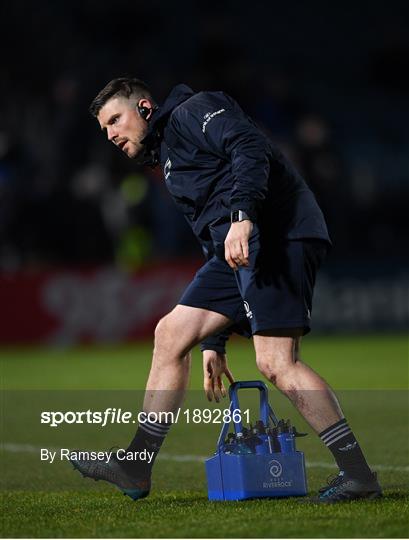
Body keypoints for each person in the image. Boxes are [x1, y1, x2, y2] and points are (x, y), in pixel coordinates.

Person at [71, 78, 382, 503]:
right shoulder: (168, 161)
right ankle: (135, 466)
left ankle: (357, 474)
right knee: (171, 335)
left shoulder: (195, 110)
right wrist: (212, 341)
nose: (111, 135)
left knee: (275, 362)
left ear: (144, 108)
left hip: (278, 233)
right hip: (237, 248)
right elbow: (209, 238)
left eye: (115, 120)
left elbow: (249, 148)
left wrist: (242, 214)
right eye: (105, 130)